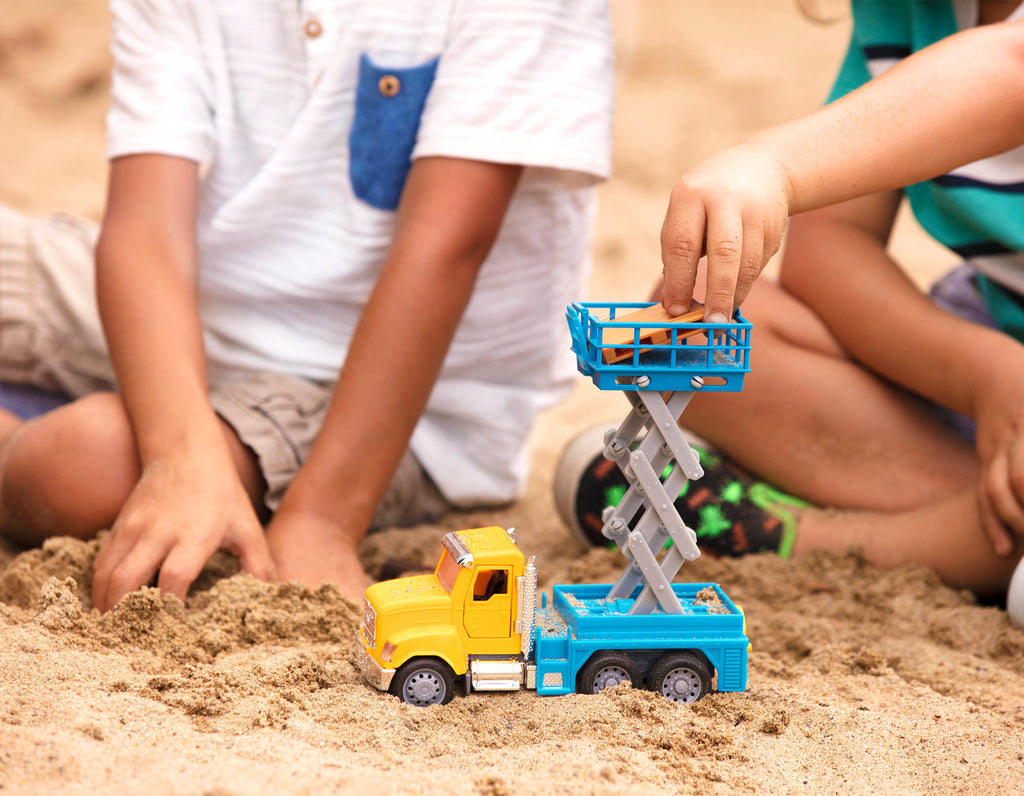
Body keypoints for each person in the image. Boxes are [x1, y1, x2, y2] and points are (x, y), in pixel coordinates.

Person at [0, 0, 613, 611]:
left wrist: (321, 520)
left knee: (80, 462)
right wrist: (180, 453)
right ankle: (164, 426)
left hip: (388, 406)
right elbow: (145, 233)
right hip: (196, 301)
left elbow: (447, 246)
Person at [558, 0, 1024, 603]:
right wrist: (986, 375)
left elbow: (1010, 65)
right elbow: (831, 246)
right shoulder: (907, 11)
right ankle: (983, 525)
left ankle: (813, 537)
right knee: (697, 329)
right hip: (991, 348)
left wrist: (775, 164)